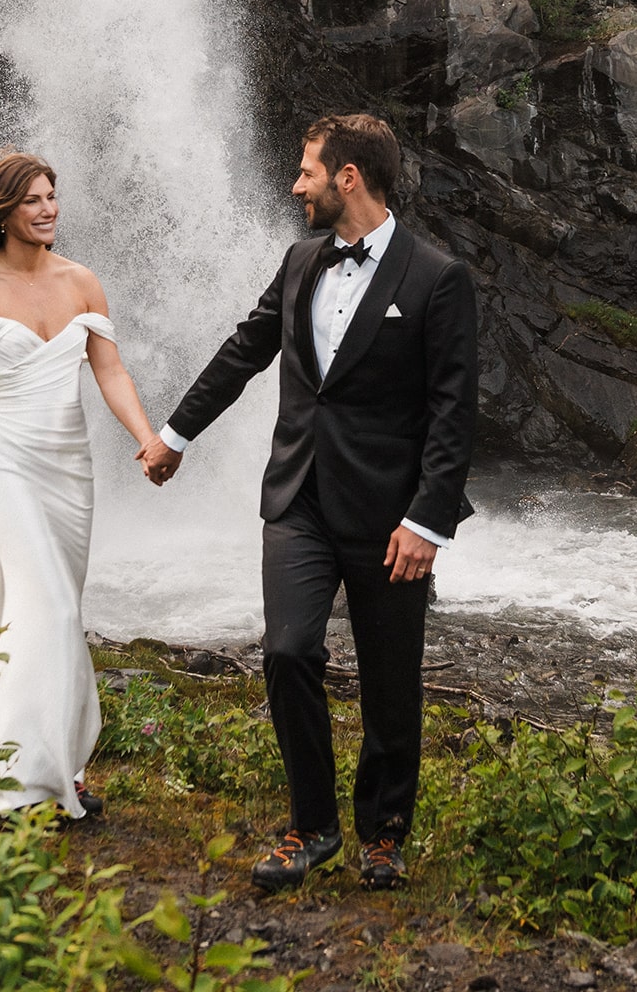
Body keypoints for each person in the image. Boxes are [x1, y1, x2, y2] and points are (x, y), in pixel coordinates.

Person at [136, 113, 478, 891]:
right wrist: (174, 436)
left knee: (391, 679)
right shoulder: (298, 262)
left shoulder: (435, 277)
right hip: (296, 498)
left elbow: (454, 410)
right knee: (288, 651)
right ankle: (312, 825)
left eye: (305, 172)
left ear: (346, 177)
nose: (295, 185)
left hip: (391, 515)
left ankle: (384, 832)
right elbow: (243, 350)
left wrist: (427, 519)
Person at [0, 151, 157, 819]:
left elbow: (109, 372)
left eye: (52, 195)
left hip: (69, 467)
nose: (47, 208)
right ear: (3, 210)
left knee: (32, 609)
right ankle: (24, 778)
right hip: (3, 462)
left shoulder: (81, 281)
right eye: (32, 199)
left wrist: (145, 437)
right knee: (51, 610)